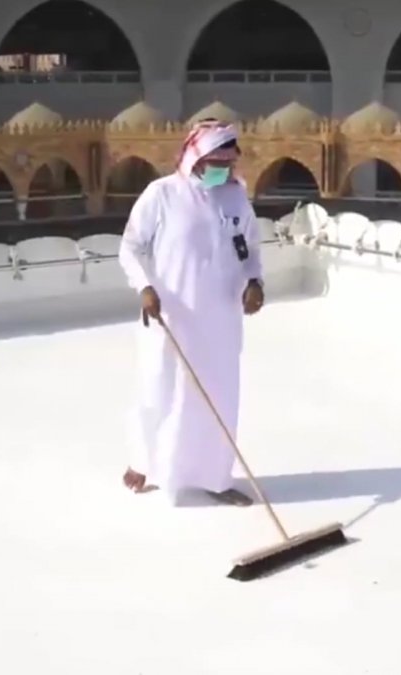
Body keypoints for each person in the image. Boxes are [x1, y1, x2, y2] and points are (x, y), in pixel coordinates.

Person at [117, 119, 264, 506]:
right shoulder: (162, 194)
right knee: (159, 390)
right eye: (218, 162)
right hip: (172, 317)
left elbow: (249, 248)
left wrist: (255, 282)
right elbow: (130, 247)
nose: (225, 170)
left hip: (220, 322)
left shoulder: (235, 197)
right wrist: (145, 287)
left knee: (217, 397)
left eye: (230, 163)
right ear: (196, 157)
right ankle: (144, 462)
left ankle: (216, 478)